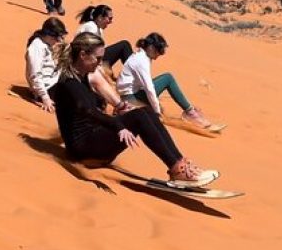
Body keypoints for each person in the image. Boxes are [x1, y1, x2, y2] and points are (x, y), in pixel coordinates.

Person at [49, 32, 218, 186]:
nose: (101, 63)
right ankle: (177, 169)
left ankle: (179, 163)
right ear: (83, 55)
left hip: (93, 139)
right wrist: (119, 126)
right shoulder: (69, 83)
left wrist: (121, 110)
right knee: (138, 116)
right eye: (98, 58)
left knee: (145, 111)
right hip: (83, 150)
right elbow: (89, 112)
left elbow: (82, 102)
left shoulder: (82, 76)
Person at [116, 33, 225, 131]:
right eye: (159, 50)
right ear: (150, 47)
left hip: (128, 97)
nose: (159, 54)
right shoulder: (142, 61)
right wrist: (157, 112)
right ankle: (191, 113)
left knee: (164, 81)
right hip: (131, 100)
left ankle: (189, 111)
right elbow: (149, 89)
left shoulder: (141, 55)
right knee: (168, 78)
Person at [26, 17, 130, 115]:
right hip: (49, 90)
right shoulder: (36, 47)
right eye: (57, 37)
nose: (58, 41)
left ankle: (118, 105)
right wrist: (45, 98)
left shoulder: (47, 44)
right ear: (48, 34)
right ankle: (121, 107)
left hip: (56, 82)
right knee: (93, 76)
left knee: (93, 74)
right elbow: (35, 75)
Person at [75, 5, 132, 75]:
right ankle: (134, 71)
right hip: (87, 60)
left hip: (95, 58)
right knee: (124, 45)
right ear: (100, 18)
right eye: (109, 18)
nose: (111, 21)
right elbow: (90, 50)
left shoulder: (98, 29)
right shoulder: (91, 27)